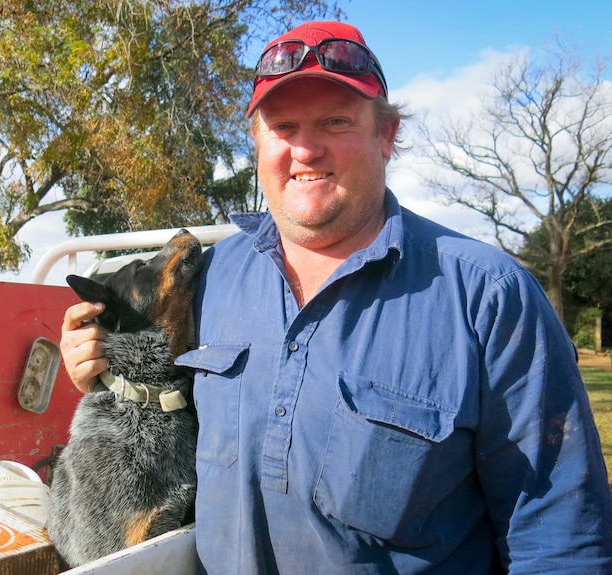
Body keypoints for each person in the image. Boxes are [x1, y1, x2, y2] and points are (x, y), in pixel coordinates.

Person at [59, 20, 612, 574]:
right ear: (257, 142)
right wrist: (103, 362)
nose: (305, 149)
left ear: (386, 135)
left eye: (336, 121)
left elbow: (560, 538)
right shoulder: (210, 278)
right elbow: (161, 388)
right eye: (282, 126)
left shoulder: (488, 297)